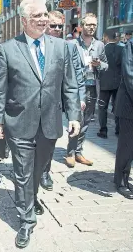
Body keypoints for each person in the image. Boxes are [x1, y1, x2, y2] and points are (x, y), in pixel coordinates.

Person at [0, 0, 81, 248]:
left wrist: (74, 115)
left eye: (44, 14)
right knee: (22, 173)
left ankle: (31, 197)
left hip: (50, 123)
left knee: (38, 171)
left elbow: (70, 86)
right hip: (19, 122)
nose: (43, 19)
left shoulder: (62, 47)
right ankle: (26, 220)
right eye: (37, 16)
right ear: (24, 20)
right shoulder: (8, 49)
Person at [40, 11, 86, 191]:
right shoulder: (35, 45)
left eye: (60, 26)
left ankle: (45, 171)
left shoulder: (69, 47)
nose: (57, 29)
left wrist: (79, 99)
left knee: (50, 138)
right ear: (45, 25)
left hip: (56, 102)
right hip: (34, 101)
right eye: (53, 26)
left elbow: (77, 76)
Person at [65, 13, 108, 167]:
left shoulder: (100, 45)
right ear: (81, 26)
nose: (91, 27)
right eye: (88, 24)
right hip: (76, 89)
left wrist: (99, 65)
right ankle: (70, 153)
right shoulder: (72, 44)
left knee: (86, 121)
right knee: (75, 119)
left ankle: (78, 151)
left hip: (92, 87)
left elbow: (106, 65)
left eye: (94, 25)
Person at [113, 36, 133, 199]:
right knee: (127, 146)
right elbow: (130, 76)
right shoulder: (131, 45)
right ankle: (120, 180)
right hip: (129, 104)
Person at [97, 30, 123, 138]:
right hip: (118, 83)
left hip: (104, 83)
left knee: (102, 106)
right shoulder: (122, 49)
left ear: (105, 37)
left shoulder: (102, 49)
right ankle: (118, 129)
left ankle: (103, 130)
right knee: (118, 106)